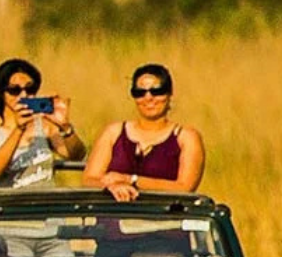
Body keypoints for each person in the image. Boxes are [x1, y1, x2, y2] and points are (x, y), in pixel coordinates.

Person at [82, 63, 205, 201]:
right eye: (140, 93)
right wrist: (111, 187)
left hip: (165, 219)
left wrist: (131, 180)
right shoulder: (113, 132)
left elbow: (184, 187)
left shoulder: (186, 137)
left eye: (156, 91)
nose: (148, 98)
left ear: (169, 93)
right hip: (114, 217)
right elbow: (89, 179)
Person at [0, 57, 86, 189]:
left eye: (30, 89)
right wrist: (19, 130)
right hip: (9, 205)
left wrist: (65, 127)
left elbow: (77, 156)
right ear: (1, 93)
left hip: (44, 204)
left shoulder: (44, 125)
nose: (23, 95)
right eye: (14, 90)